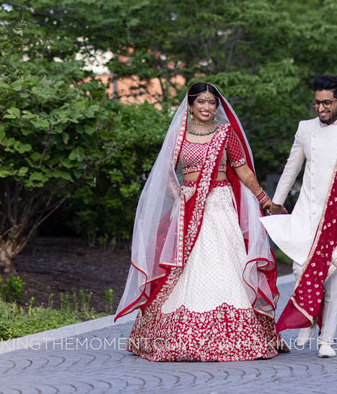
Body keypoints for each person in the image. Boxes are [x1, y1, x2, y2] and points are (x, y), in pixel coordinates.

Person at [115, 82, 288, 361]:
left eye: (212, 103)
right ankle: (176, 335)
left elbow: (242, 170)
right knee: (187, 267)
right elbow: (166, 175)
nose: (207, 108)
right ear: (191, 105)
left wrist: (266, 201)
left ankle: (239, 335)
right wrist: (180, 194)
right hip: (188, 209)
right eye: (201, 102)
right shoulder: (179, 134)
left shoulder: (225, 133)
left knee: (224, 263)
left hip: (219, 206)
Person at [261, 74, 337, 358]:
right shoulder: (305, 129)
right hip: (308, 212)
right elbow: (292, 167)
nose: (321, 108)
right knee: (300, 269)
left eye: (327, 103)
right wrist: (277, 202)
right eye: (317, 103)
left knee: (336, 278)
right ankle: (309, 317)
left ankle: (327, 340)